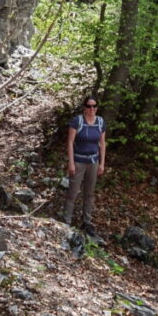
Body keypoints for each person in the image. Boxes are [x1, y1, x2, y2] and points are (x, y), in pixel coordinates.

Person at [63, 96, 106, 236]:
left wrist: (102, 163)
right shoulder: (77, 121)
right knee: (73, 192)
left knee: (89, 193)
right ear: (84, 107)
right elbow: (70, 142)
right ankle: (66, 221)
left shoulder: (100, 122)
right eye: (89, 106)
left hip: (93, 161)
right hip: (78, 160)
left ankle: (87, 221)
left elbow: (102, 143)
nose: (91, 109)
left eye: (94, 106)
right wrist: (71, 162)